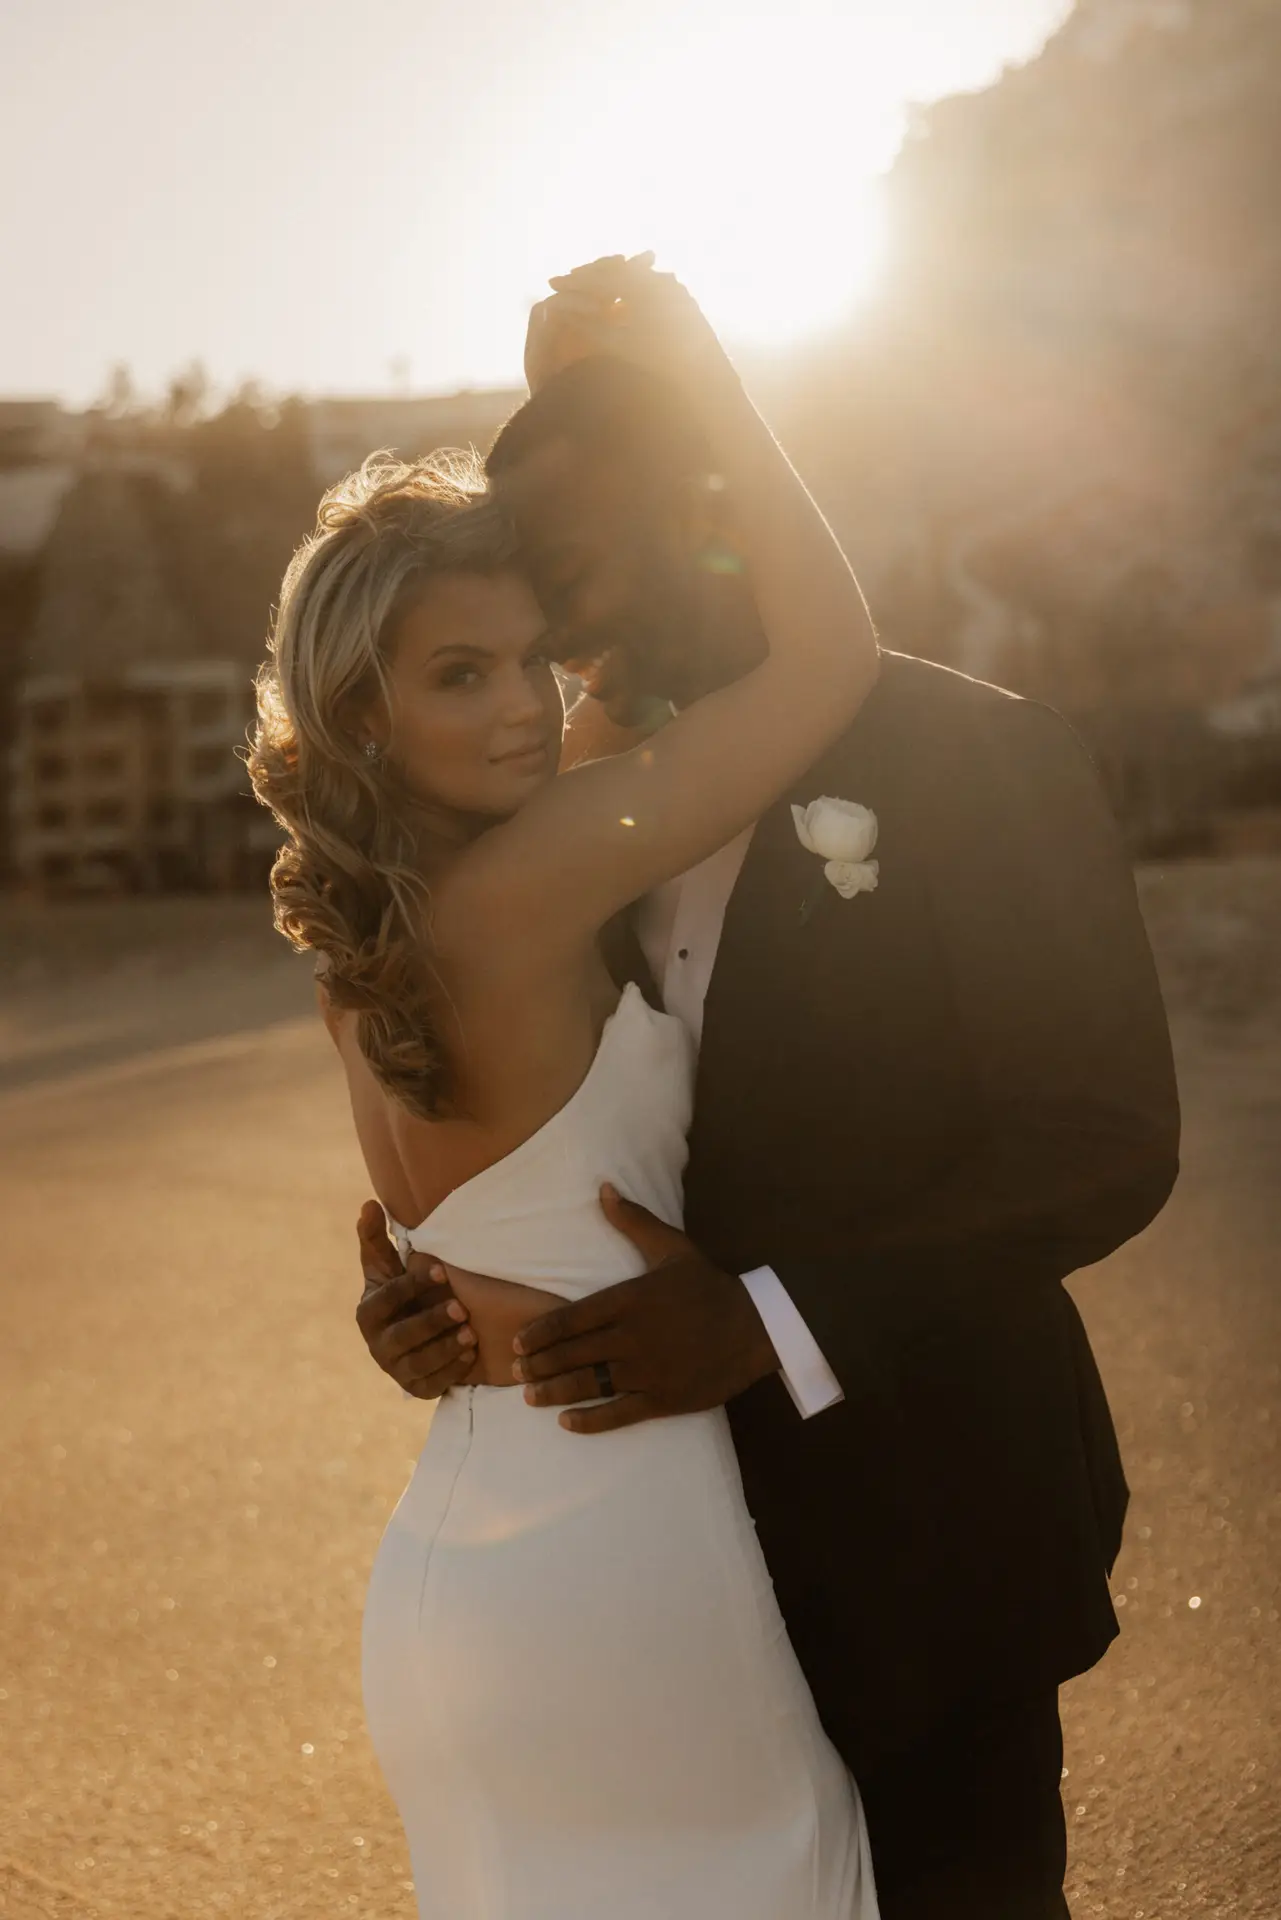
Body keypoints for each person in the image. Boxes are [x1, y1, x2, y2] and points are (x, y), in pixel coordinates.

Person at [355, 256, 1182, 1917]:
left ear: (706, 507)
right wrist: (437, 1302)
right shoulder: (566, 810)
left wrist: (773, 1320)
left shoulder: (973, 757)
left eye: (573, 565)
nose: (553, 626)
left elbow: (1104, 1141)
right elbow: (538, 1130)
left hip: (926, 1520)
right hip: (647, 1544)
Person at [249, 263, 883, 1919]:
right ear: (364, 715)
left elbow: (435, 1244)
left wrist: (576, 417)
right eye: (461, 677)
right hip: (614, 1552)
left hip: (463, 1569)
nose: (528, 704)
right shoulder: (530, 888)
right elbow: (832, 657)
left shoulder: (369, 940)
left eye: (529, 659)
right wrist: (705, 384)